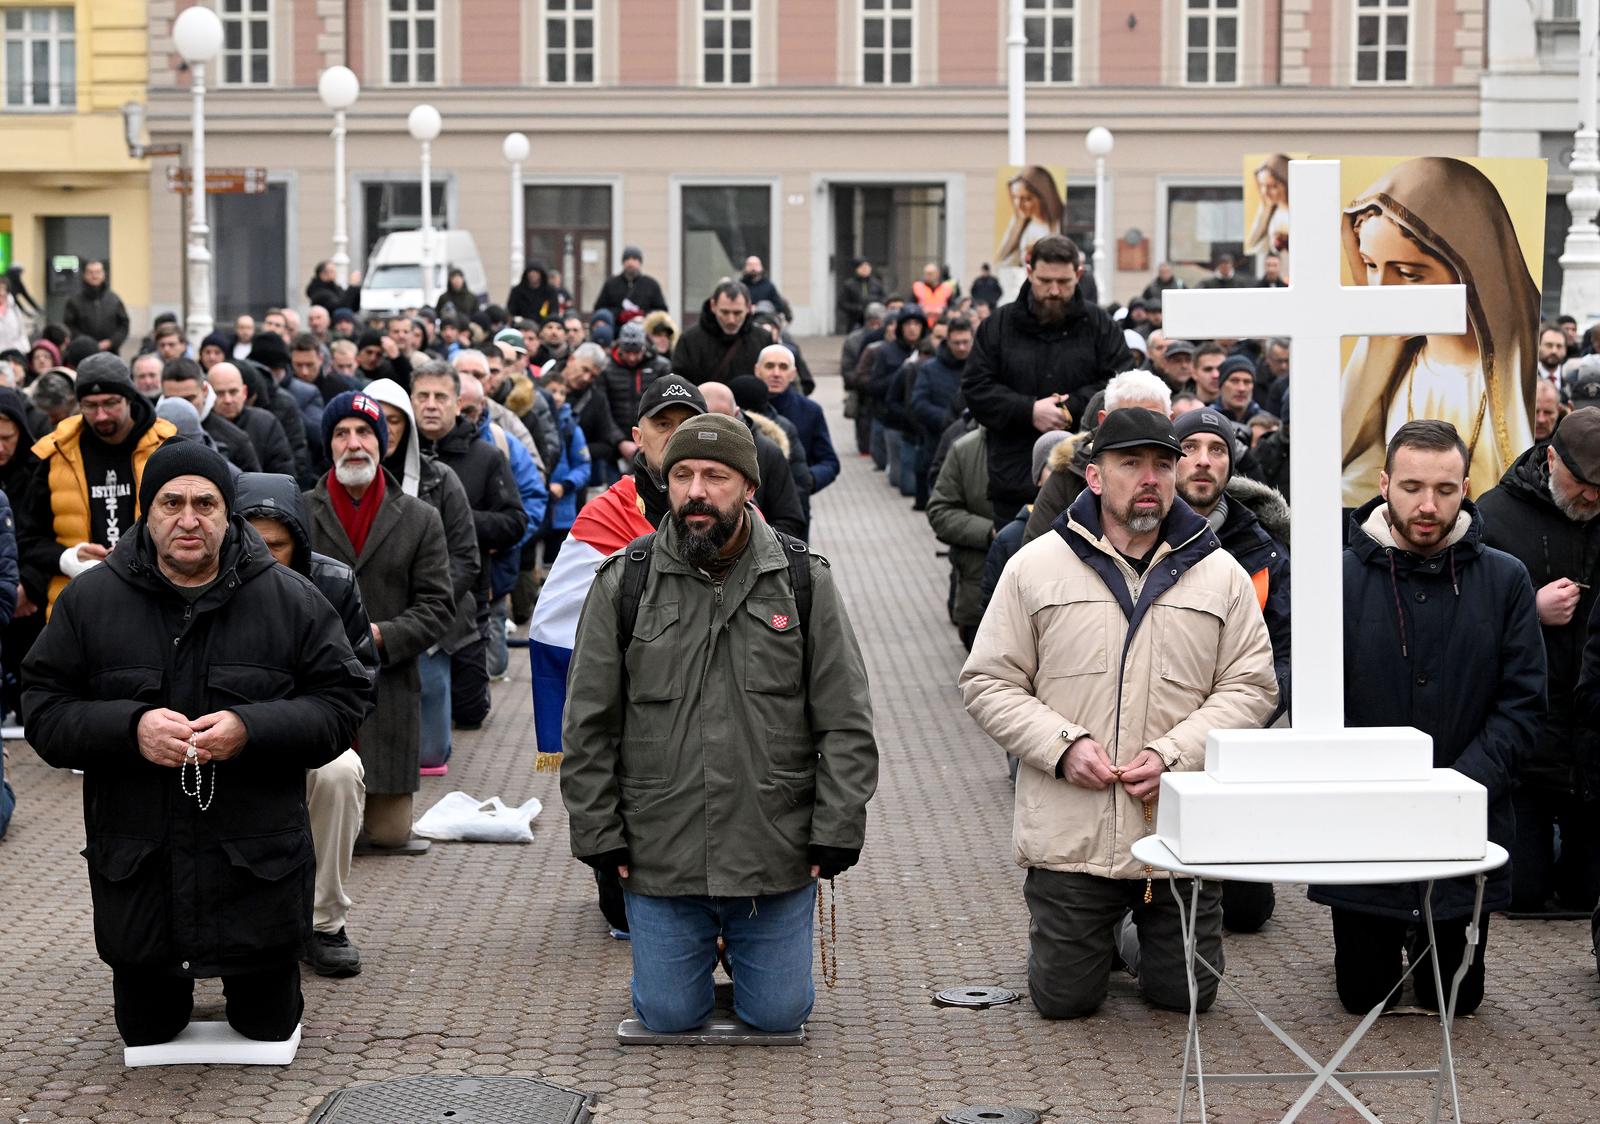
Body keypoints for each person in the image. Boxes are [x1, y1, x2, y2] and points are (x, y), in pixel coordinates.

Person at [22, 441, 369, 1046]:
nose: (188, 519)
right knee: (148, 1033)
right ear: (145, 512)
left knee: (267, 1028)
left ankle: (266, 980)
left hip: (256, 870)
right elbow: (44, 711)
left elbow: (342, 705)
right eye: (171, 502)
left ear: (228, 513)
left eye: (205, 503)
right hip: (141, 874)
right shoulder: (89, 602)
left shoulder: (290, 599)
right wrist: (130, 729)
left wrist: (251, 728)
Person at [561, 413, 877, 1034]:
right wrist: (599, 834)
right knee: (669, 1015)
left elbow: (845, 720)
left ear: (749, 487)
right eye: (681, 475)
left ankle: (746, 954)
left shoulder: (801, 581)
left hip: (773, 849)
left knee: (780, 1014)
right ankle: (687, 956)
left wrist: (836, 829)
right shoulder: (626, 582)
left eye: (715, 476)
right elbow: (588, 725)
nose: (696, 491)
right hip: (662, 851)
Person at [961, 408, 1277, 1019]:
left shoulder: (1221, 574)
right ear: (1094, 477)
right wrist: (1062, 746)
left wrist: (1173, 755)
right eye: (1130, 463)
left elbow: (1252, 687)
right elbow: (987, 681)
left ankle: (1136, 942)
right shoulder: (1036, 566)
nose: (1150, 477)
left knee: (1185, 998)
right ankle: (1086, 934)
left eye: (1163, 463)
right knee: (1064, 1001)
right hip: (1073, 834)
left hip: (1176, 830)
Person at [1312, 420, 1543, 1016]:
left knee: (1454, 1000)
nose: (1427, 504)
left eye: (1444, 489)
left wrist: (1461, 784)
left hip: (1468, 808)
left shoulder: (1505, 579)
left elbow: (1523, 703)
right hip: (1366, 818)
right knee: (1363, 996)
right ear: (1384, 483)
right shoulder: (1336, 579)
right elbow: (1314, 699)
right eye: (1412, 486)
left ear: (1466, 487)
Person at [235, 473, 379, 977]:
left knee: (339, 774)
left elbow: (360, 677)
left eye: (277, 544)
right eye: (253, 542)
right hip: (224, 735)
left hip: (310, 731)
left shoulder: (333, 582)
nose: (264, 555)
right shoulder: (204, 580)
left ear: (298, 541)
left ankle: (323, 922)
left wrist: (301, 723)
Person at [1339, 157, 1539, 509]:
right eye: (1370, 265)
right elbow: (1361, 480)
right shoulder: (1392, 370)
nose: (1380, 291)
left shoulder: (1503, 380)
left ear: (1471, 272)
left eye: (1408, 273)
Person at [304, 392, 455, 849]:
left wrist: (380, 636)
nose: (354, 443)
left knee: (388, 836)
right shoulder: (299, 513)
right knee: (324, 829)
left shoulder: (419, 517)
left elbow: (437, 607)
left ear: (384, 442)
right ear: (328, 445)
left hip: (388, 694)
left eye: (365, 432)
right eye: (342, 433)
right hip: (316, 686)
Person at [1476, 408, 1600, 914]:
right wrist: (1529, 609)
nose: (1591, 497)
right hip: (1527, 743)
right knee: (1520, 894)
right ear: (1551, 459)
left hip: (1591, 740)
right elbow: (1467, 618)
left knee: (1585, 896)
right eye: (1582, 484)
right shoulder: (1496, 515)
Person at [1172, 407, 1292, 929]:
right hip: (1154, 734)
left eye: (1216, 449)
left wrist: (1256, 706)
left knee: (1246, 913)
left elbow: (1288, 649)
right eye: (1190, 448)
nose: (1203, 461)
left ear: (1232, 461)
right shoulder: (1138, 534)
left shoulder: (1266, 550)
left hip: (1239, 738)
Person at [962, 235, 1129, 526]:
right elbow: (977, 388)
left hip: (1087, 481)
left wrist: (1071, 407)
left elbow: (1120, 384)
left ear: (1078, 275)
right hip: (1015, 477)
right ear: (1029, 272)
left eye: (1064, 282)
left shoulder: (1100, 326)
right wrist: (1029, 410)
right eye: (1045, 281)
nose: (1054, 291)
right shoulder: (998, 326)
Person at [363, 378, 480, 773]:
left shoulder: (439, 479)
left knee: (429, 751)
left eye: (395, 421)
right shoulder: (344, 482)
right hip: (365, 622)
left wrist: (429, 605)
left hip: (429, 624)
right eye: (377, 420)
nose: (386, 430)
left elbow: (465, 556)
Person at [411, 364, 528, 731]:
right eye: (423, 397)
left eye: (440, 397)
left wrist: (455, 518)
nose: (431, 405)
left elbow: (514, 522)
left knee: (470, 713)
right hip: (405, 599)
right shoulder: (394, 455)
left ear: (457, 403)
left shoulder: (486, 456)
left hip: (467, 601)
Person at [16, 354, 178, 615]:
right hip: (78, 604)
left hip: (156, 602)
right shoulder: (58, 454)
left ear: (129, 398)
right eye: (90, 405)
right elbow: (28, 538)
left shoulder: (167, 446)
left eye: (111, 403)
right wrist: (69, 558)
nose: (101, 415)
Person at [699, 380, 807, 538]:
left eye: (723, 420)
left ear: (737, 413)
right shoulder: (681, 451)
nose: (715, 430)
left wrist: (752, 544)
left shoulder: (767, 451)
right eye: (704, 421)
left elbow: (790, 518)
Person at [927, 423, 992, 649]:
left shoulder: (1052, 446)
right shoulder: (965, 448)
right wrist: (990, 531)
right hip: (978, 593)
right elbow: (940, 511)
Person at [758, 344, 839, 498]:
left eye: (783, 367)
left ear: (793, 374)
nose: (776, 373)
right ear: (757, 370)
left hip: (795, 506)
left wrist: (809, 480)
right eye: (769, 366)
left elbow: (829, 461)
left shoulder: (810, 410)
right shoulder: (742, 407)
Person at [160, 359, 261, 474]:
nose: (182, 406)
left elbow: (249, 487)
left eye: (189, 399)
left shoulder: (235, 439)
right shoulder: (148, 432)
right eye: (172, 400)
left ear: (205, 391)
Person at [206, 361, 297, 478]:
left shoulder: (266, 422)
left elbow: (283, 471)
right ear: (207, 394)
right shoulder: (201, 427)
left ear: (244, 392)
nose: (228, 400)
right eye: (220, 393)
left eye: (233, 392)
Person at [672, 280, 767, 385]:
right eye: (725, 312)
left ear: (748, 308)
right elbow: (679, 382)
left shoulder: (763, 338)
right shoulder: (689, 340)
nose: (731, 320)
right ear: (713, 306)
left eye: (737, 313)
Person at [603, 320, 671, 436]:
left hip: (651, 435)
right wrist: (619, 440)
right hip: (616, 438)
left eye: (636, 352)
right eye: (627, 352)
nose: (632, 358)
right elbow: (603, 409)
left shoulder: (661, 366)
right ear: (620, 348)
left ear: (644, 347)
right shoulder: (606, 368)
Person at [996, 165, 1064, 269]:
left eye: (1027, 199)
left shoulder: (1058, 224)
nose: (1018, 205)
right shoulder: (1019, 222)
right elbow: (1004, 261)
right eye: (1015, 197)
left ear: (1043, 197)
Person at [62, 261, 129, 355]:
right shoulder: (74, 301)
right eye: (90, 272)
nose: (94, 276)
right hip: (83, 353)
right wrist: (88, 343)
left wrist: (111, 342)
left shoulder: (114, 300)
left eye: (97, 272)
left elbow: (124, 325)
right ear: (84, 275)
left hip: (110, 353)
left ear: (103, 274)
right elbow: (69, 326)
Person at [594, 246, 668, 322]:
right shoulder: (611, 284)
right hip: (616, 326)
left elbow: (661, 310)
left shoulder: (651, 285)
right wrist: (620, 314)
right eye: (627, 259)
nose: (630, 262)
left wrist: (642, 314)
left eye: (634, 259)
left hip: (645, 326)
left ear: (640, 262)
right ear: (623, 262)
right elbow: (600, 309)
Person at [1245, 154, 1291, 266]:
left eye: (1273, 186)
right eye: (1262, 185)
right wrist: (1264, 211)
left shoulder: (1296, 215)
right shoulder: (1270, 210)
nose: (1265, 192)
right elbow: (1252, 245)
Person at [836, 258, 886, 333]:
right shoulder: (849, 284)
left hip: (874, 319)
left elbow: (884, 299)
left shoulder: (876, 284)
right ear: (857, 269)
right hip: (855, 320)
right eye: (862, 267)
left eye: (867, 267)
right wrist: (858, 308)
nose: (865, 269)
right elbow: (842, 303)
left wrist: (875, 305)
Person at [741, 256, 791, 321]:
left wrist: (760, 308)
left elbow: (778, 305)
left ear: (761, 267)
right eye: (750, 265)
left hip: (764, 320)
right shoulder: (741, 285)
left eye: (755, 265)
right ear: (745, 267)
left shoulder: (769, 286)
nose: (753, 268)